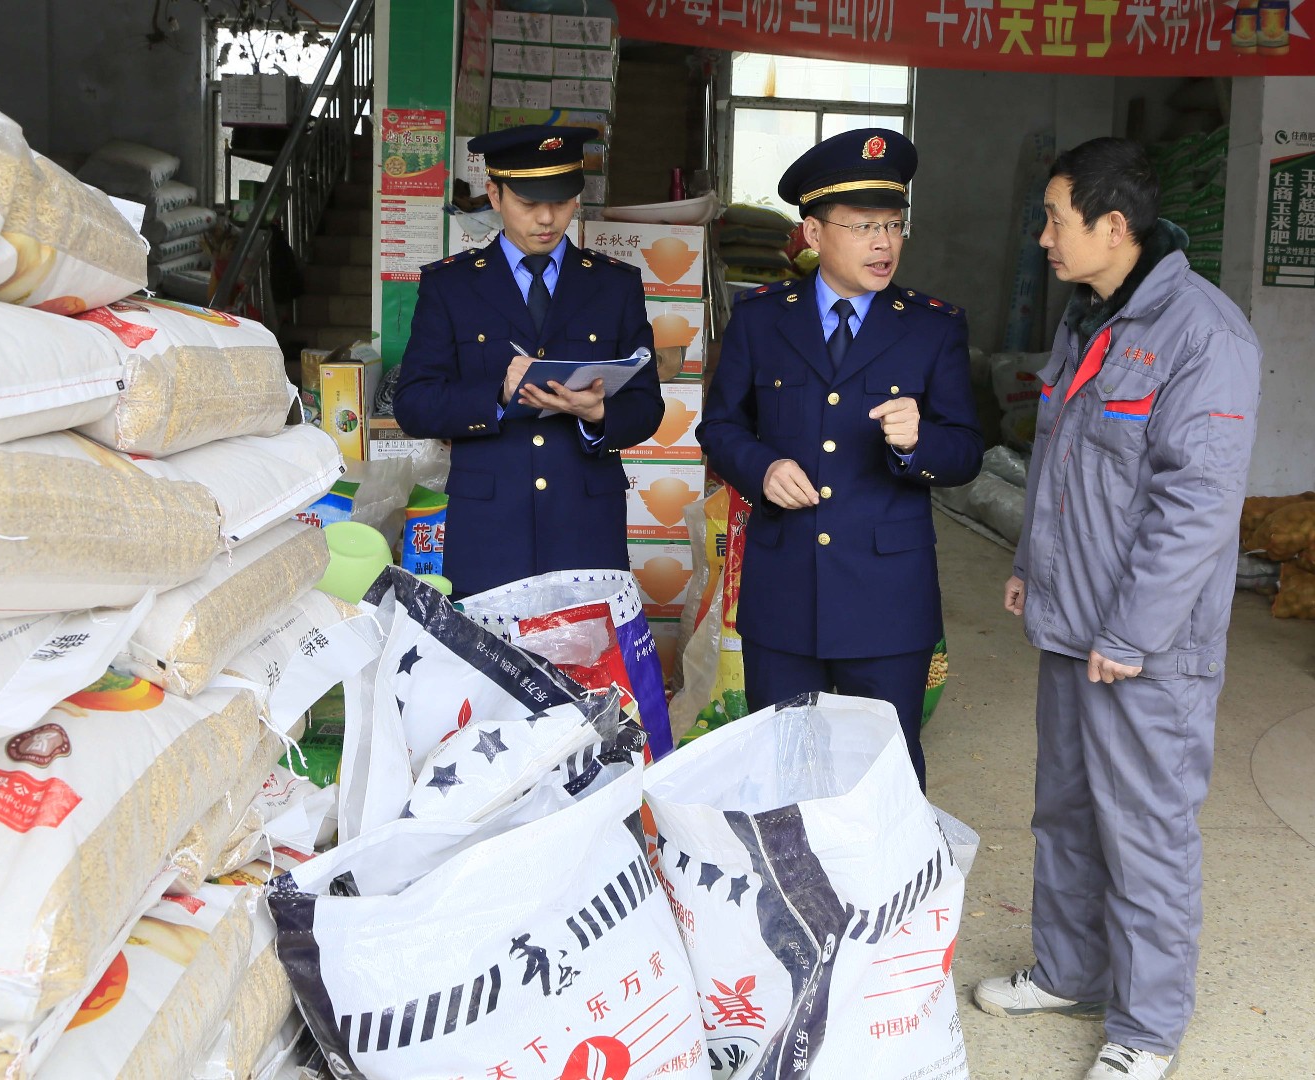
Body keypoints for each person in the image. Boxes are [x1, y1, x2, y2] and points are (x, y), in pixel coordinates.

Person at [972, 137, 1261, 1080]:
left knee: (1145, 833)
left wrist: (1132, 630)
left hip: (1147, 645)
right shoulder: (1089, 315)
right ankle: (1071, 971)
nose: (1044, 237)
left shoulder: (1204, 336)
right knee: (1064, 811)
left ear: (1114, 225)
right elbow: (1060, 459)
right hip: (1072, 624)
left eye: (1056, 219)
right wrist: (1032, 562)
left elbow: (1198, 506)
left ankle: (1146, 1029)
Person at [696, 128, 982, 789]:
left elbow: (966, 450)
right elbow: (721, 426)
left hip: (887, 598)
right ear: (815, 234)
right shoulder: (761, 319)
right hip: (784, 589)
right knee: (785, 770)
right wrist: (762, 468)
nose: (885, 243)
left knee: (883, 775)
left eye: (894, 225)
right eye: (863, 227)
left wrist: (918, 443)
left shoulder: (933, 327)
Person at [393, 125, 663, 597]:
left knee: (588, 646)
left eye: (561, 201)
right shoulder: (452, 287)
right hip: (489, 526)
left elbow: (647, 406)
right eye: (528, 202)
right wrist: (496, 396)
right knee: (486, 646)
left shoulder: (614, 286)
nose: (547, 218)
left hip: (585, 522)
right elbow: (413, 404)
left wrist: (598, 414)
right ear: (495, 195)